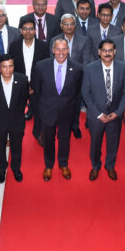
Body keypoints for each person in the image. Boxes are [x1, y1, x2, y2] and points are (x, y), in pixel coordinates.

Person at [33, 38, 83, 181]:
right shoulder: (41, 66)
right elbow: (37, 91)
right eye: (58, 49)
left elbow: (77, 93)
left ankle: (63, 164)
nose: (61, 53)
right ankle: (48, 165)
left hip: (66, 113)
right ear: (53, 50)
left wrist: (74, 113)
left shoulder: (78, 68)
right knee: (48, 140)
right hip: (47, 111)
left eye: (64, 49)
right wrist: (40, 113)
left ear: (68, 50)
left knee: (65, 139)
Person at [82, 39, 125, 180]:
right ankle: (95, 166)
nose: (107, 53)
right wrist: (98, 114)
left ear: (114, 52)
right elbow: (86, 93)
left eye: (110, 50)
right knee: (95, 143)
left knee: (113, 142)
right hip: (96, 115)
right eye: (104, 50)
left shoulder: (123, 67)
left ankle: (110, 166)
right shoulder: (89, 69)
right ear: (99, 52)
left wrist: (118, 112)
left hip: (115, 114)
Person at [0, 55, 29, 184]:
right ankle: (2, 168)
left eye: (10, 66)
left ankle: (16, 168)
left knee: (17, 146)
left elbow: (23, 100)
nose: (8, 70)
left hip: (17, 120)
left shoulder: (23, 80)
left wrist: (20, 117)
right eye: (4, 67)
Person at [9, 18, 49, 138]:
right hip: (19, 84)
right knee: (16, 112)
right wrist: (23, 85)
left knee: (39, 112)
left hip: (37, 86)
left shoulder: (43, 46)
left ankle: (38, 134)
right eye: (25, 29)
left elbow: (44, 69)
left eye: (31, 29)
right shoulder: (14, 46)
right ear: (21, 31)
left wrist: (34, 86)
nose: (28, 31)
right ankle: (16, 135)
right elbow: (12, 67)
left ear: (35, 30)